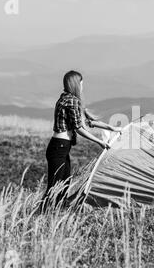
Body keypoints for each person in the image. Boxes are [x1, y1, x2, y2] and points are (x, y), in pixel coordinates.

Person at [39, 70, 121, 212]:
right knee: (54, 186)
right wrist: (99, 142)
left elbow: (87, 122)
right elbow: (79, 128)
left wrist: (111, 127)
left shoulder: (67, 98)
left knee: (63, 185)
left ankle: (55, 214)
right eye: (81, 83)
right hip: (59, 147)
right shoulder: (71, 101)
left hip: (61, 147)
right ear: (76, 84)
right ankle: (41, 215)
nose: (83, 86)